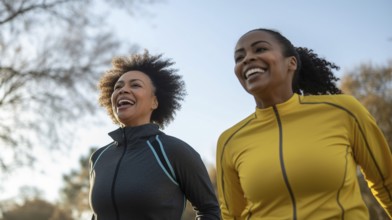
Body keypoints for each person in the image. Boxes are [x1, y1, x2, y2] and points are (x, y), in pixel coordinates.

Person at [216, 28, 392, 219]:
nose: (247, 59)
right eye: (239, 58)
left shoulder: (344, 111)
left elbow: (387, 184)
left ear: (291, 63)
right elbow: (231, 215)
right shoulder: (230, 141)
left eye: (259, 49)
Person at [89, 50, 220, 220]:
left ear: (155, 101)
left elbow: (209, 211)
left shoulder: (174, 151)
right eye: (118, 87)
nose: (123, 90)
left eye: (135, 85)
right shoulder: (99, 157)